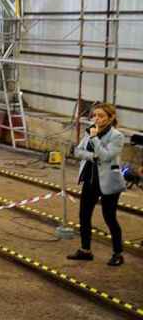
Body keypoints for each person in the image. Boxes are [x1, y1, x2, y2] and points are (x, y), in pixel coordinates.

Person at [68, 102, 126, 266]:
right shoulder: (89, 131)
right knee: (84, 216)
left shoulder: (117, 136)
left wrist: (95, 138)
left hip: (108, 181)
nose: (97, 119)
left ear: (111, 117)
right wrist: (92, 156)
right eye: (95, 116)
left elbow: (107, 156)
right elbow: (78, 151)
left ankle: (118, 253)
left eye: (101, 116)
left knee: (110, 217)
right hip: (90, 179)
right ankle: (85, 250)